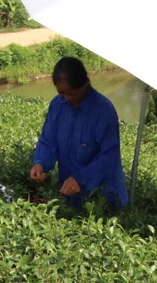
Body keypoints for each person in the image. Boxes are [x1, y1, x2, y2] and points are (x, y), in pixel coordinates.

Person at [30, 56, 128, 208]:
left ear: (86, 84)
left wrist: (81, 179)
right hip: (71, 196)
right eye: (62, 93)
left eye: (72, 94)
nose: (67, 98)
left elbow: (109, 155)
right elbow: (48, 140)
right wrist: (40, 163)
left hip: (103, 197)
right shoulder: (58, 105)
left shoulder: (103, 111)